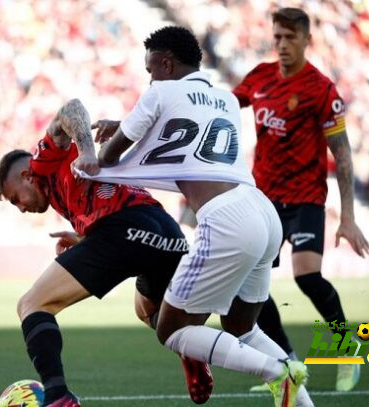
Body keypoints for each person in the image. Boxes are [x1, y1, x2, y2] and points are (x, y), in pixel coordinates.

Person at [85, 26, 313, 407]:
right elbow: (178, 135)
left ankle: (277, 372)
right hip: (261, 209)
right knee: (241, 326)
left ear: (167, 63)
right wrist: (124, 126)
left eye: (151, 68)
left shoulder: (160, 90)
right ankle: (297, 390)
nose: (150, 77)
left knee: (171, 329)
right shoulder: (223, 98)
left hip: (226, 220)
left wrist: (109, 140)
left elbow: (108, 157)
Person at [0, 98, 214, 407]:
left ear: (27, 177)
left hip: (123, 229)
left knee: (32, 304)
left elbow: (71, 109)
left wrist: (86, 151)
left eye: (16, 198)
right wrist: (85, 239)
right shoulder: (65, 195)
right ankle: (192, 348)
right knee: (150, 313)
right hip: (166, 232)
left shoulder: (43, 162)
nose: (22, 208)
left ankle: (57, 397)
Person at [231, 7, 369, 392]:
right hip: (265, 201)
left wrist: (348, 216)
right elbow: (226, 106)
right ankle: (287, 363)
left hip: (306, 198)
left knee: (307, 276)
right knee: (248, 286)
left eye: (290, 38)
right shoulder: (259, 78)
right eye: (277, 36)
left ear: (307, 40)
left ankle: (346, 348)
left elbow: (341, 153)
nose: (281, 44)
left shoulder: (321, 89)